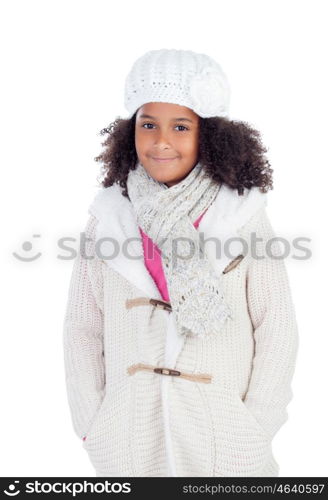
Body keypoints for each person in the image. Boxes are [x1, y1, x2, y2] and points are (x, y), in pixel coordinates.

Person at [62, 48, 299, 477]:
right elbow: (83, 327)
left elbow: (276, 324)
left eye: (181, 126)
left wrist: (258, 426)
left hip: (225, 441)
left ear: (208, 135)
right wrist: (90, 424)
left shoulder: (241, 215)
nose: (161, 141)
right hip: (128, 439)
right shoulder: (108, 216)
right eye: (147, 124)